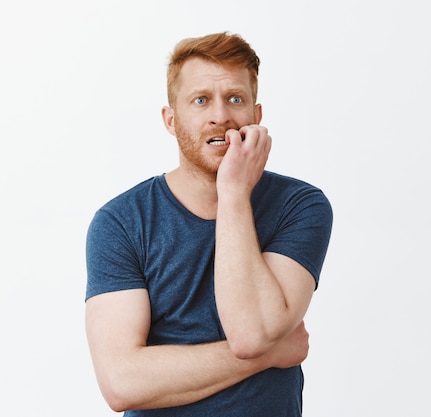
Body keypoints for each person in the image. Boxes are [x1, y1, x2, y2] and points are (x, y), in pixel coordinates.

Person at [84, 31, 333, 416]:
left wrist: (233, 191)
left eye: (235, 98)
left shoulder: (299, 205)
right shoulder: (121, 222)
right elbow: (121, 384)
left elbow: (252, 334)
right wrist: (269, 355)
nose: (221, 115)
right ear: (170, 119)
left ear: (256, 115)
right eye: (201, 100)